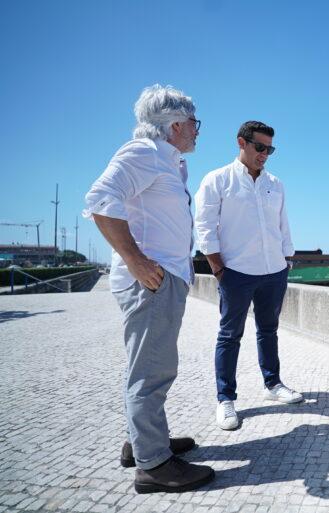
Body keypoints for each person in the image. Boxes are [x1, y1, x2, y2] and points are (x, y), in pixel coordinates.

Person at [83, 85, 214, 493]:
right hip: (151, 284)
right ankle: (154, 465)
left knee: (147, 367)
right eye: (194, 123)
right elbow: (101, 199)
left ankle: (141, 443)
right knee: (152, 372)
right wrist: (137, 262)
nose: (197, 131)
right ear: (175, 125)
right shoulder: (143, 153)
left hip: (163, 280)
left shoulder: (168, 161)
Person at [195, 121, 302, 432]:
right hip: (236, 273)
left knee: (269, 331)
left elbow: (283, 226)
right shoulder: (217, 180)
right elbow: (204, 227)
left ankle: (273, 385)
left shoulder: (275, 184)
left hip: (274, 271)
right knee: (230, 336)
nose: (265, 154)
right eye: (260, 147)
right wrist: (218, 269)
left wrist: (286, 261)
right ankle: (225, 399)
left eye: (270, 149)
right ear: (241, 142)